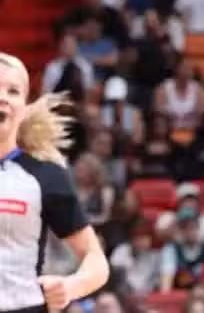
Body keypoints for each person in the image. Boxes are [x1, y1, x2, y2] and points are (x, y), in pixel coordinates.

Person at [0, 52, 110, 312]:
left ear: (24, 107)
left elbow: (97, 261)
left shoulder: (45, 175)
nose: (2, 98)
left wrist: (71, 287)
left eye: (13, 91)